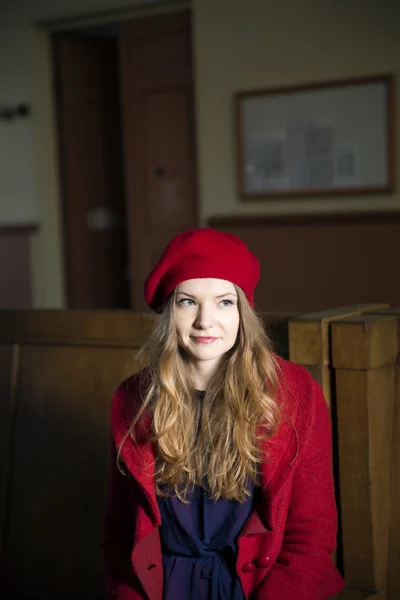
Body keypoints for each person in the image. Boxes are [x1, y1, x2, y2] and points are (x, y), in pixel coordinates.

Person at [102, 228, 344, 600]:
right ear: (169, 312)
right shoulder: (132, 399)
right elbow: (120, 532)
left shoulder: (297, 395)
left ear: (243, 312)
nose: (205, 321)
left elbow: (311, 536)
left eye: (224, 302)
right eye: (188, 302)